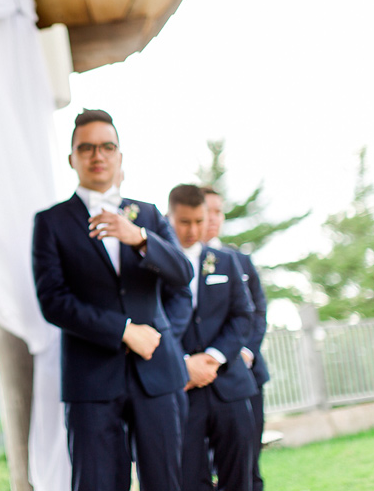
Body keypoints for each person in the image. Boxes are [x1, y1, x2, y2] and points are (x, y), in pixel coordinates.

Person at [32, 109, 193, 491]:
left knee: (166, 483)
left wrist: (139, 238)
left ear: (120, 156)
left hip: (158, 374)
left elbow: (183, 275)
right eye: (86, 148)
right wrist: (123, 330)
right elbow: (53, 301)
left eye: (107, 146)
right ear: (72, 158)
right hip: (91, 380)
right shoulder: (51, 222)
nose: (97, 155)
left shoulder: (148, 215)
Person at [167, 184, 257, 491]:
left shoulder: (225, 261)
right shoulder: (154, 264)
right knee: (189, 479)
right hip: (181, 391)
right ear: (170, 218)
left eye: (199, 221)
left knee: (240, 478)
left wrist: (213, 357)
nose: (193, 230)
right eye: (184, 222)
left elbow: (243, 315)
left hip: (229, 386)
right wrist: (182, 364)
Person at [202, 186, 270, 491]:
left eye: (219, 211)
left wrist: (244, 351)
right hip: (198, 380)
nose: (213, 218)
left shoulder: (240, 260)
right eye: (207, 211)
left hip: (244, 376)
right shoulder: (176, 261)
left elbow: (257, 312)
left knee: (248, 468)